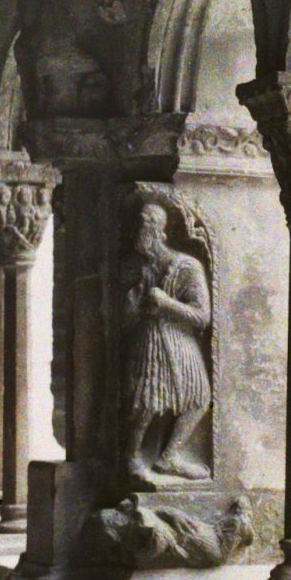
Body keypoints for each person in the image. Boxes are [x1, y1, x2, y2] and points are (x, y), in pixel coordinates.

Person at [122, 200, 213, 490]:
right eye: (138, 225)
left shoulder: (187, 266)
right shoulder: (139, 267)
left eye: (145, 225)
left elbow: (201, 316)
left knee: (198, 398)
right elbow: (124, 317)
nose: (139, 232)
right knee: (145, 403)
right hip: (149, 339)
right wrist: (133, 304)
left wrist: (166, 303)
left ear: (159, 230)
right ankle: (131, 457)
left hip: (180, 340)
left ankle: (169, 456)